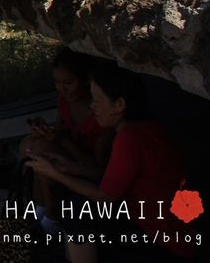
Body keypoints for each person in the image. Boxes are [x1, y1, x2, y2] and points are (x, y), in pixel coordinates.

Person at [27, 62, 196, 262]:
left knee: (76, 210)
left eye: (97, 101)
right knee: (76, 204)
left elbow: (105, 196)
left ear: (119, 105)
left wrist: (56, 174)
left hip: (163, 242)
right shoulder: (143, 129)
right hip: (165, 230)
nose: (92, 106)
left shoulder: (130, 139)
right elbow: (110, 177)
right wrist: (69, 167)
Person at [20, 48, 113, 226]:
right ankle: (37, 208)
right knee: (28, 144)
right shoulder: (65, 100)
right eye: (57, 82)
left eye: (68, 83)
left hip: (85, 166)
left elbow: (98, 169)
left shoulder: (100, 114)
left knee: (40, 150)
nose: (62, 89)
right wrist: (44, 130)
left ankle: (51, 216)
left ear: (86, 80)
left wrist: (60, 140)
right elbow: (60, 128)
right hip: (67, 152)